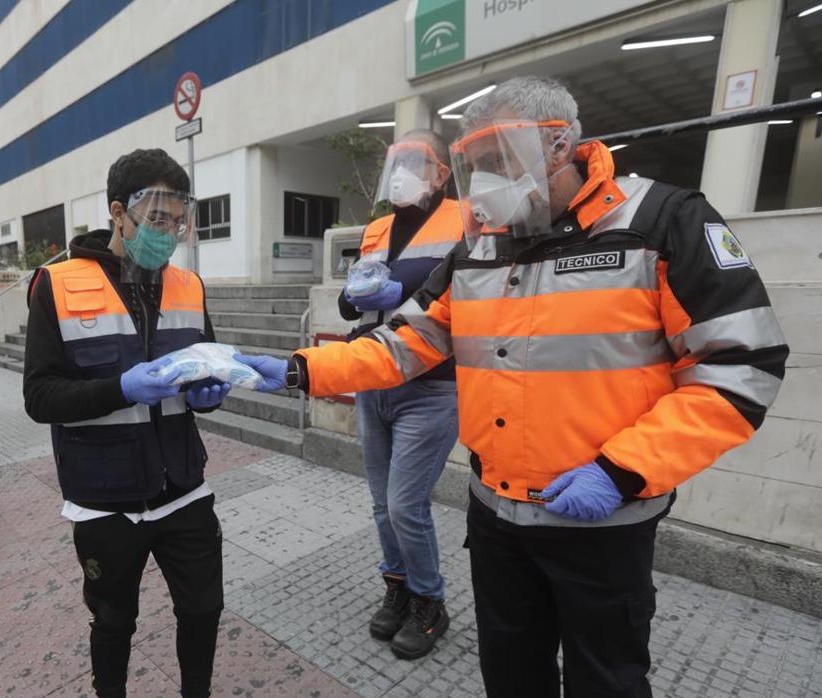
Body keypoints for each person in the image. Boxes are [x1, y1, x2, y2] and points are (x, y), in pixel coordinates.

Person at [238, 76, 789, 697]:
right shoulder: (480, 247)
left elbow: (742, 367)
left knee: (605, 679)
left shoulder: (661, 222)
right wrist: (299, 369)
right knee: (510, 674)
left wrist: (623, 470)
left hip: (601, 524)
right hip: (496, 519)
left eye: (499, 161)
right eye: (476, 165)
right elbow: (405, 344)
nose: (485, 184)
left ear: (559, 145)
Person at [23, 148, 227, 698]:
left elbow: (203, 365)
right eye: (157, 219)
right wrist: (120, 389)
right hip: (103, 498)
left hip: (184, 487)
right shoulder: (57, 284)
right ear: (119, 212)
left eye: (178, 221)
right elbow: (40, 397)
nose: (169, 232)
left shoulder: (189, 285)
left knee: (204, 609)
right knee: (113, 620)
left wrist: (209, 394)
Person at [335, 130, 463, 659]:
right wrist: (354, 294)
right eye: (398, 161)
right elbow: (352, 306)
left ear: (441, 172)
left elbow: (471, 299)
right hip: (374, 381)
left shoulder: (466, 220)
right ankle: (399, 585)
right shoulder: (377, 228)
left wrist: (402, 296)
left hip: (430, 387)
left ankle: (430, 601)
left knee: (405, 504)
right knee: (382, 506)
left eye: (417, 161)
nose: (405, 171)